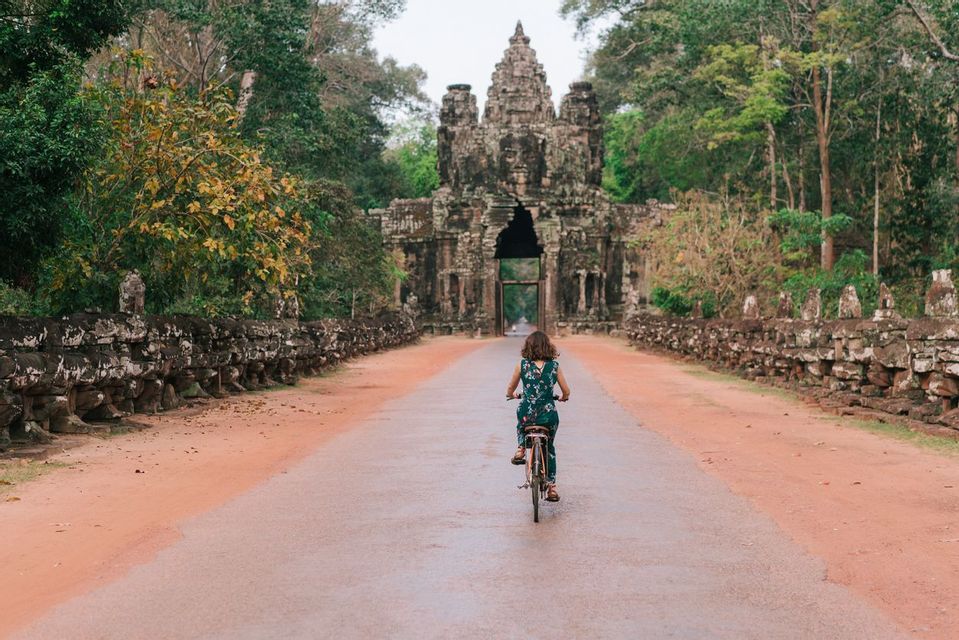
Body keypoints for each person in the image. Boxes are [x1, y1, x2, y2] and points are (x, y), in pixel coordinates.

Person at [505, 330, 570, 502]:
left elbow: (509, 390)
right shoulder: (554, 366)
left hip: (528, 412)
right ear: (548, 347)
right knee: (549, 447)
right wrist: (564, 397)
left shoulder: (522, 365)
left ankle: (520, 448)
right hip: (548, 415)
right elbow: (566, 391)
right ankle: (552, 488)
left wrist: (514, 394)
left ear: (528, 347)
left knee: (521, 420)